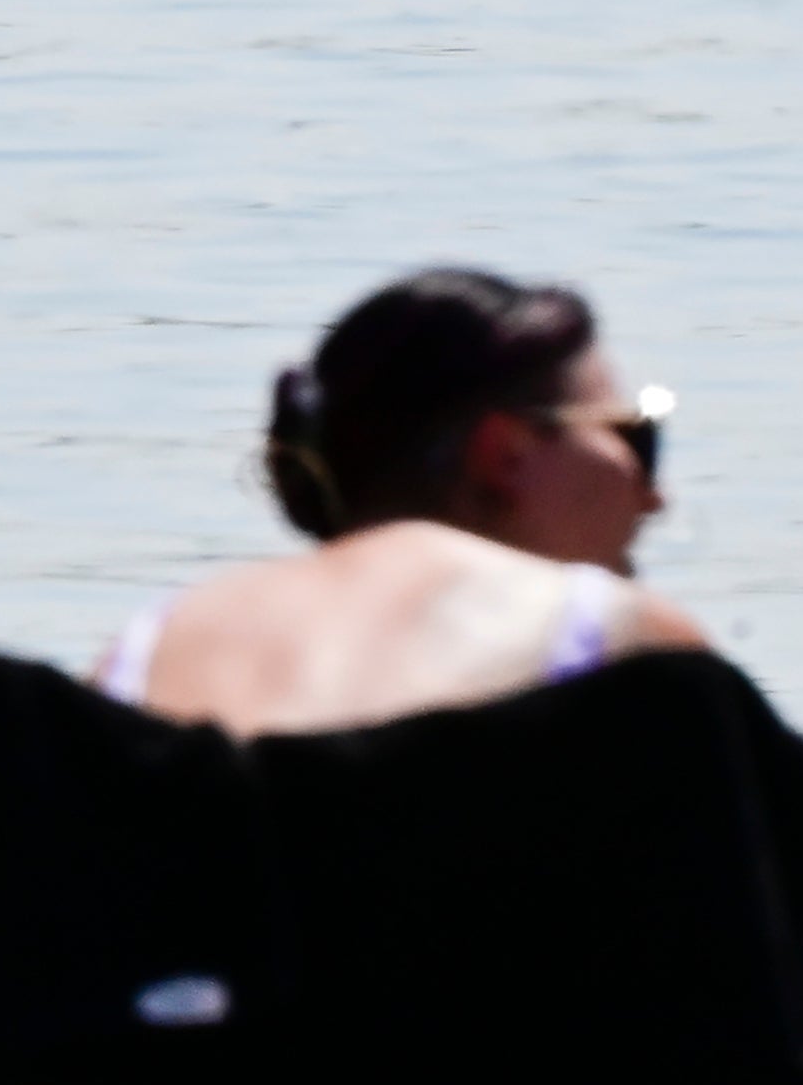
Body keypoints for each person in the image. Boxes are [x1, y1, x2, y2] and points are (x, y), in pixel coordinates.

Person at [95, 268, 701, 739]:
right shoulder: (614, 647)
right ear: (506, 453)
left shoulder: (140, 658)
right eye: (634, 437)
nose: (654, 498)